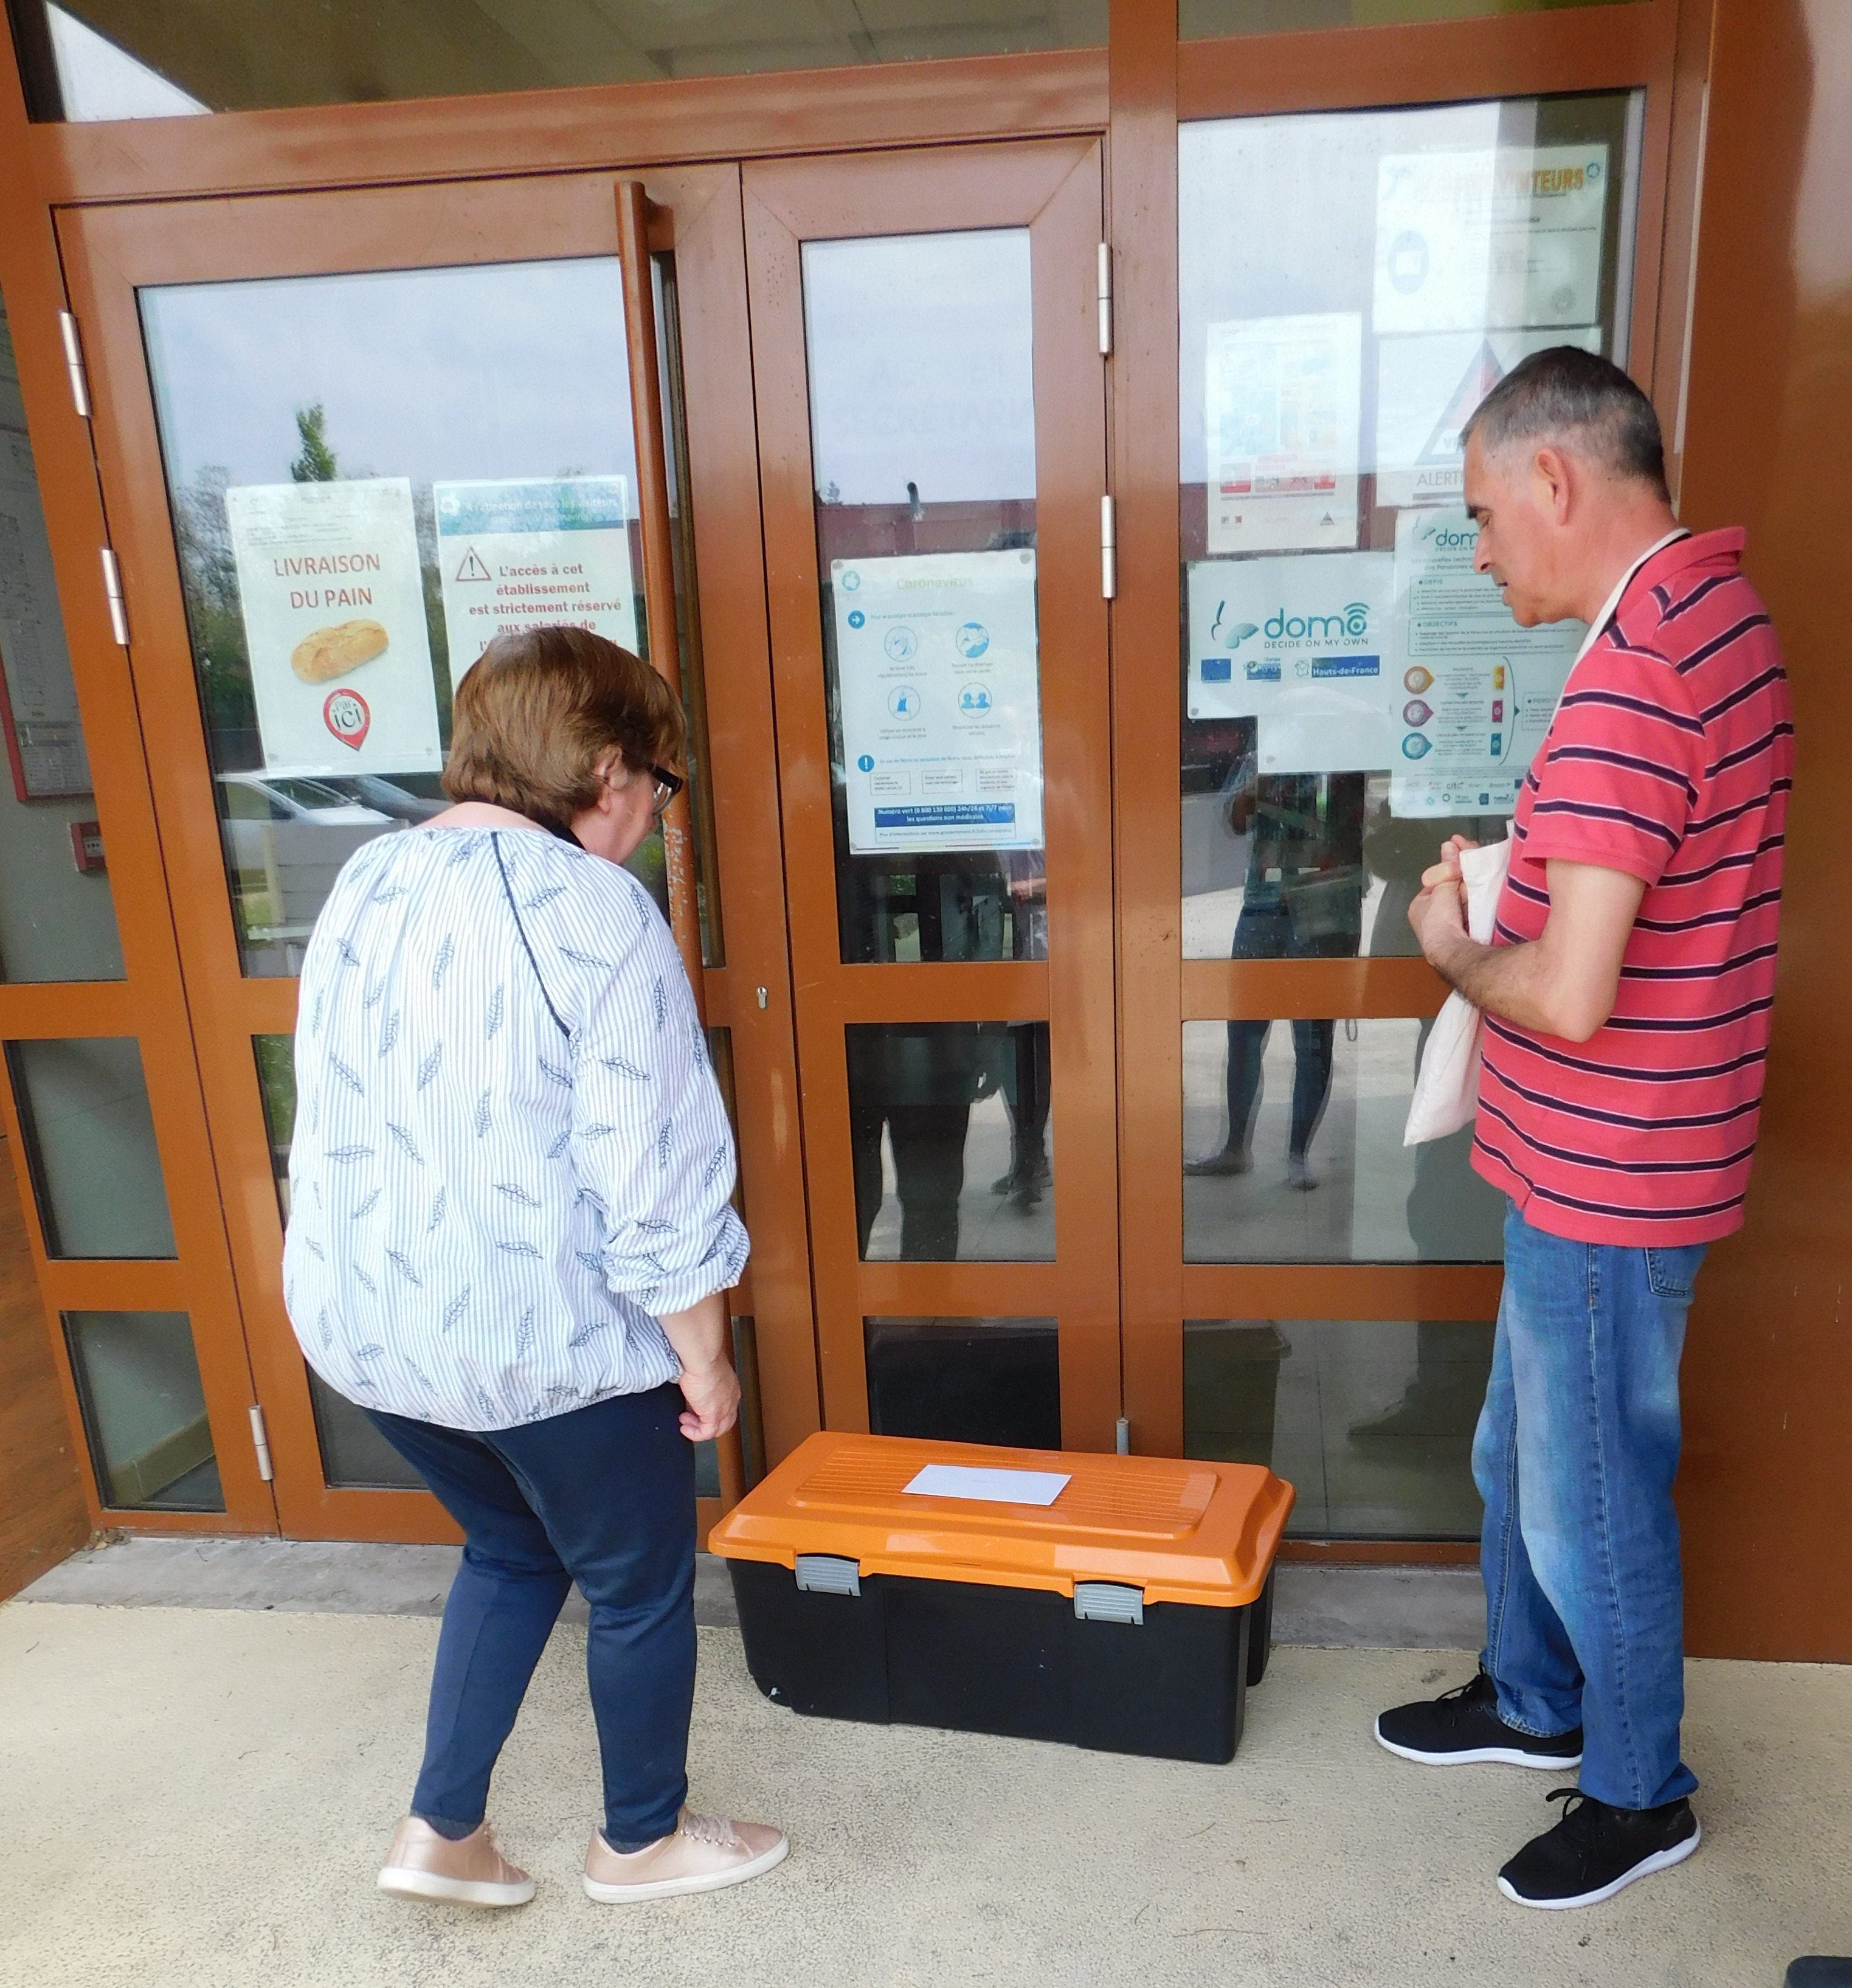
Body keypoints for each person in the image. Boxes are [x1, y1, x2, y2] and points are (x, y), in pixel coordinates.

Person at [1372, 347, 1791, 1910]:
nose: (1479, 553)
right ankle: (1532, 1691)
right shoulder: (1711, 613)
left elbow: (1562, 993)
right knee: (1521, 1452)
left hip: (1611, 1172)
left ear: (1553, 478)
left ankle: (1634, 1792)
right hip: (1614, 1154)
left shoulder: (1634, 675)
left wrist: (1450, 942)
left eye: (1483, 515)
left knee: (1587, 1495)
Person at [282, 626, 787, 1910]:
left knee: (511, 1549)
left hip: (372, 1329)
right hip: (541, 1336)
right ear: (608, 768)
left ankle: (440, 1831)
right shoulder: (594, 906)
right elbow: (652, 1168)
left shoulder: (369, 876)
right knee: (637, 1582)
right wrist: (706, 1358)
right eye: (660, 783)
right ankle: (641, 1839)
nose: (655, 814)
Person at [1184, 761, 1366, 1189]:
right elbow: (1233, 820)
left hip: (1324, 902)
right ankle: (1235, 1147)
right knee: (1243, 1031)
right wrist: (1255, 787)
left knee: (1313, 1036)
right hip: (1262, 902)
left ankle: (1298, 1155)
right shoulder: (1262, 752)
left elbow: (1355, 830)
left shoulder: (1341, 752)